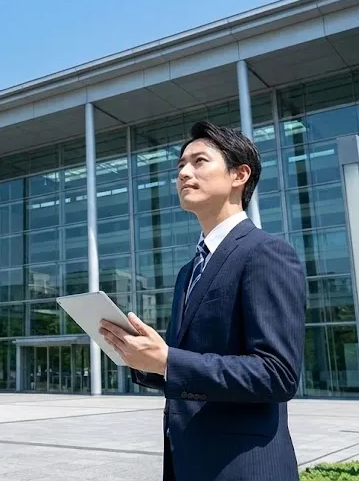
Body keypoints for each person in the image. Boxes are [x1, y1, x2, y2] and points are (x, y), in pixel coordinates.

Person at [99, 121, 306, 481]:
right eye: (180, 165)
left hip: (244, 468)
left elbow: (277, 375)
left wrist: (169, 360)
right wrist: (143, 359)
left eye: (198, 162)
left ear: (240, 174)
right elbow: (184, 367)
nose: (183, 173)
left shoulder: (266, 253)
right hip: (188, 464)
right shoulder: (188, 271)